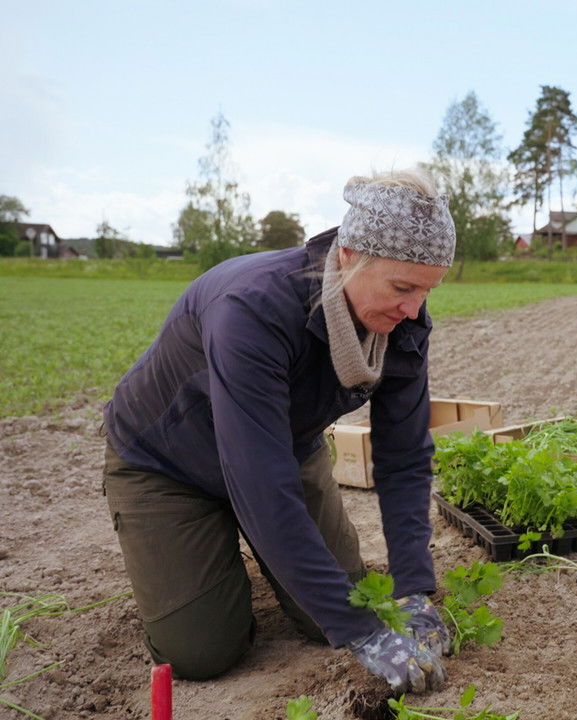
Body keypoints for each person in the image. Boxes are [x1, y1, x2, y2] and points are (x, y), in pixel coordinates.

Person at [101, 168, 455, 694]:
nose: (414, 310)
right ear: (351, 256)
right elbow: (262, 486)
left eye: (426, 291)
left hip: (285, 449)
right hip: (168, 465)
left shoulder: (403, 324)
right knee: (202, 650)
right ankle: (202, 559)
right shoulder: (253, 309)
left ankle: (271, 562)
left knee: (334, 613)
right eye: (403, 287)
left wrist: (415, 592)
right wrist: (363, 636)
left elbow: (403, 458)